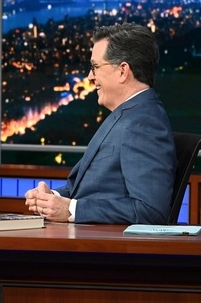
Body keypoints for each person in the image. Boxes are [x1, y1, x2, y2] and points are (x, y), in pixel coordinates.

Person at [24, 23, 177, 224]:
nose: (90, 76)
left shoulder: (144, 124)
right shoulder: (126, 115)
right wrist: (51, 198)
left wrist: (71, 209)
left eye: (95, 67)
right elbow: (86, 189)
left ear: (123, 71)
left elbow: (150, 211)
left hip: (110, 251)